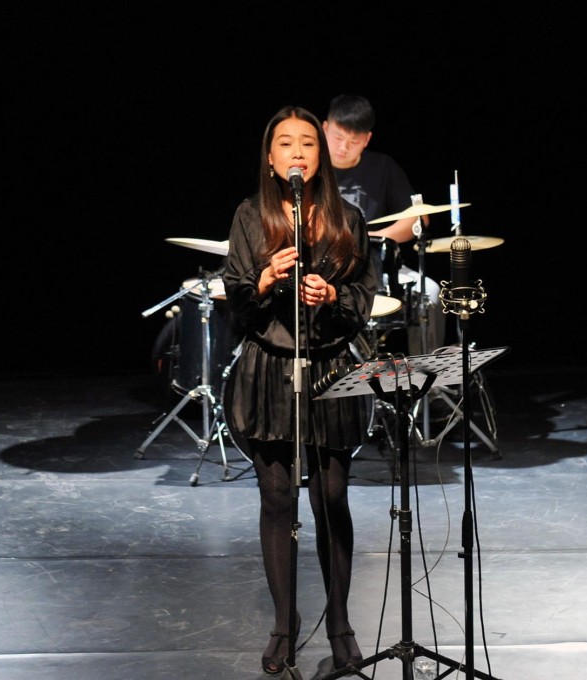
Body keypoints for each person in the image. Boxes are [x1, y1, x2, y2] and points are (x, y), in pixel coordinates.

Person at [222, 106, 376, 674]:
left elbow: (364, 295)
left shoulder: (347, 216)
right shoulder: (249, 214)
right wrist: (260, 281)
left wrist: (332, 298)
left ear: (321, 156)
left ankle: (339, 625)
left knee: (330, 498)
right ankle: (284, 627)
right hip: (268, 371)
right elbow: (235, 297)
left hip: (331, 368)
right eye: (285, 143)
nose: (296, 153)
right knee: (278, 499)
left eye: (307, 143)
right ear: (270, 156)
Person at [322, 94, 445, 356]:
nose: (343, 147)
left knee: (431, 293)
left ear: (366, 139)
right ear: (324, 128)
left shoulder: (383, 167)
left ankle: (427, 384)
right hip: (324, 270)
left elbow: (418, 218)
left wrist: (374, 237)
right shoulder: (311, 167)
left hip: (378, 268)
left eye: (353, 141)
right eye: (338, 137)